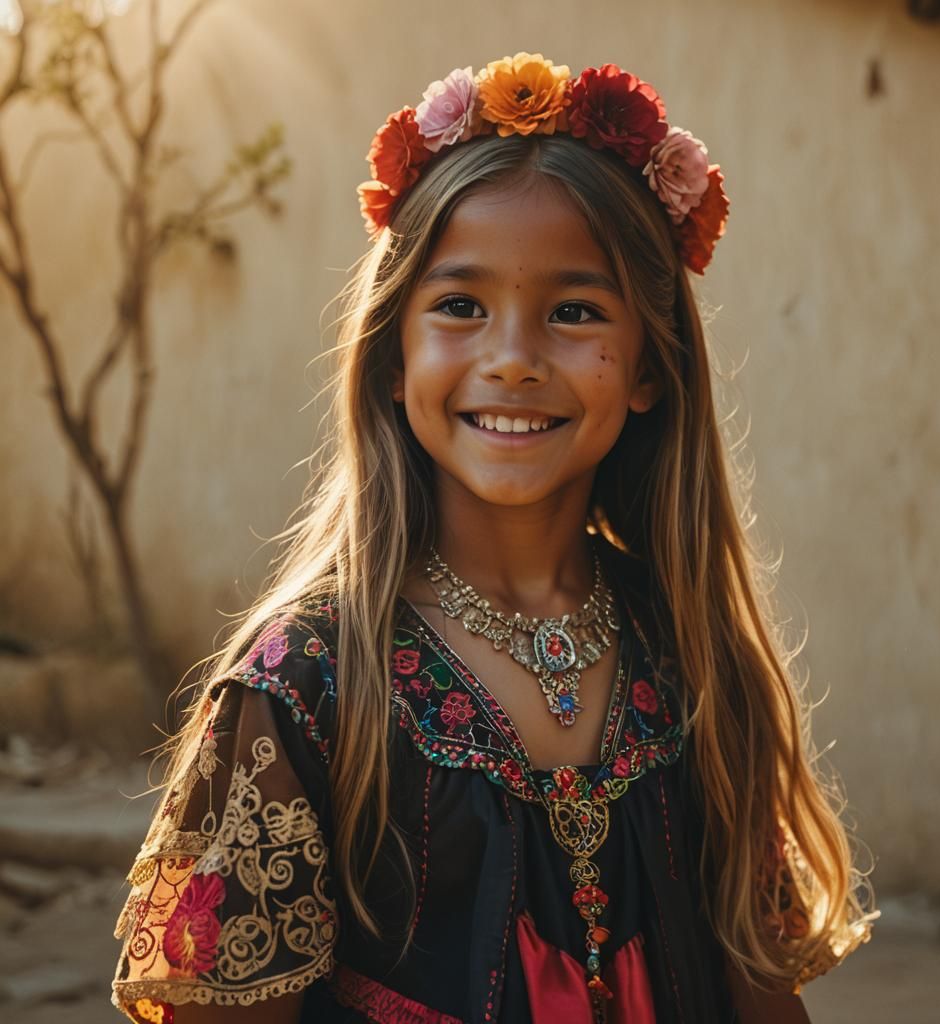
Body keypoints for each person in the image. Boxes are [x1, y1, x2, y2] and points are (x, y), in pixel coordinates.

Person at [110, 52, 878, 1024]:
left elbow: (764, 995)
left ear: (649, 368)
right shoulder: (306, 690)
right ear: (392, 357)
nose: (512, 359)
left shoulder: (690, 649)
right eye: (461, 306)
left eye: (574, 312)